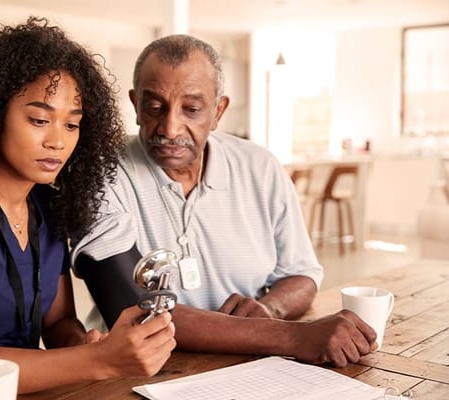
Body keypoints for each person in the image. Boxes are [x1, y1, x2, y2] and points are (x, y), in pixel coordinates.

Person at [0, 17, 175, 400]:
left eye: (72, 125)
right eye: (39, 119)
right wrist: (101, 361)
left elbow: (58, 321)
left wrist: (84, 343)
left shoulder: (45, 207)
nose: (57, 141)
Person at [71, 34, 377, 368]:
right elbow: (133, 306)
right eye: (155, 107)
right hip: (136, 372)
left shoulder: (261, 167)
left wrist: (268, 309)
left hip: (248, 366)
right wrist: (293, 336)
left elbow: (301, 275)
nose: (171, 127)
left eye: (191, 109)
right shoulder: (100, 173)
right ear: (135, 105)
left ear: (218, 111)